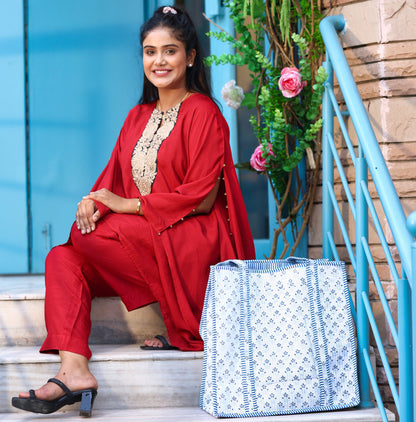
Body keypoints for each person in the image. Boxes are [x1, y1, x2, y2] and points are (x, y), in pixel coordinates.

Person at [12, 5, 255, 417]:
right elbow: (113, 181)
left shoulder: (205, 113)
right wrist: (92, 202)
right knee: (61, 257)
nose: (158, 61)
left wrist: (126, 206)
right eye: (149, 51)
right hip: (144, 238)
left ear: (190, 56)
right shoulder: (137, 116)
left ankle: (181, 313)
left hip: (189, 236)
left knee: (92, 233)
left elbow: (203, 198)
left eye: (170, 51)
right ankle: (73, 369)